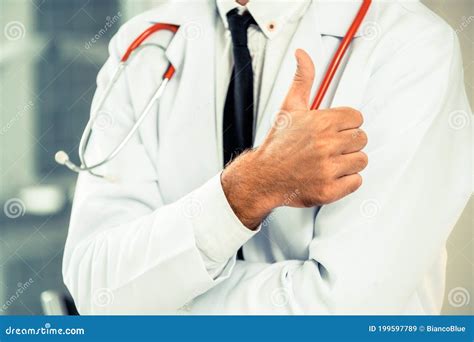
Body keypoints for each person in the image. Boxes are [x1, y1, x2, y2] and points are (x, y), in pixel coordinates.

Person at [63, 0, 472, 314]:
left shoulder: (410, 45)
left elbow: (344, 313)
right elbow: (95, 285)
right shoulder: (145, 44)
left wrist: (149, 301)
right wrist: (247, 189)